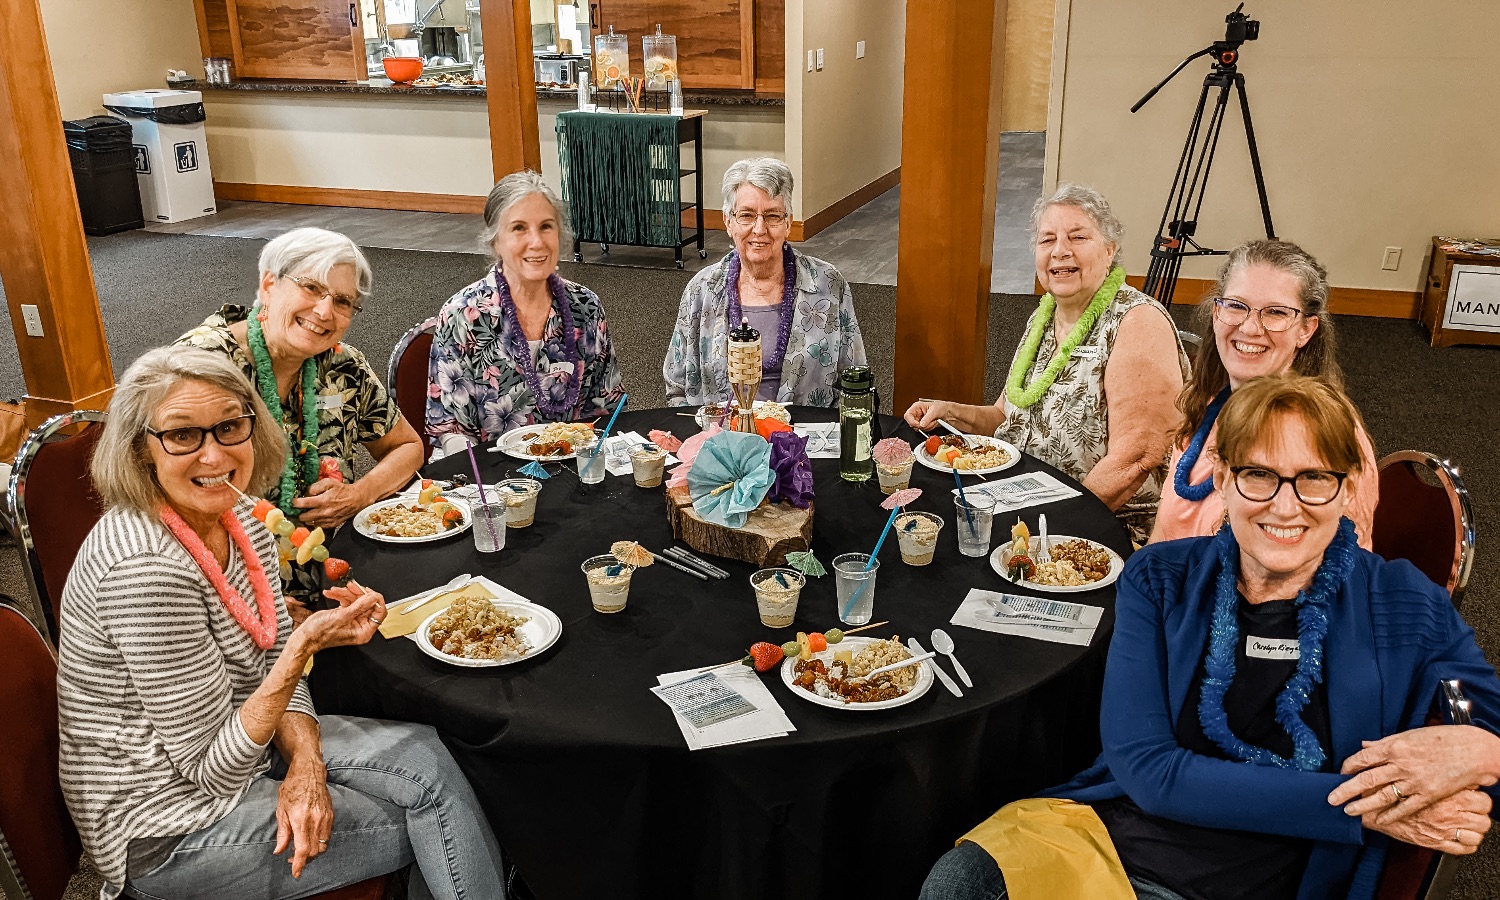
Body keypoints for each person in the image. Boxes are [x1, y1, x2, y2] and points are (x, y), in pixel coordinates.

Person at [920, 374, 1500, 900]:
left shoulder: (1403, 601)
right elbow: (1147, 769)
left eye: (1315, 478)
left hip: (1274, 877)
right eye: (1258, 475)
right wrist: (1361, 812)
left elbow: (1489, 728)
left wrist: (1483, 749)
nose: (1285, 505)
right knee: (957, 884)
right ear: (1223, 479)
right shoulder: (1160, 579)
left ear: (1348, 489)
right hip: (1126, 838)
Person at [57, 347, 507, 900]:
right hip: (167, 825)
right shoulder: (145, 570)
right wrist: (302, 649)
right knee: (438, 815)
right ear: (139, 449)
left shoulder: (237, 511)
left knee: (432, 764)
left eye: (229, 426)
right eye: (181, 435)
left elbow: (267, 656)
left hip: (245, 738)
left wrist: (307, 764)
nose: (213, 454)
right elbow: (211, 767)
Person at [905, 184, 1187, 544]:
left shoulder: (1137, 323)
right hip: (1023, 498)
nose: (1060, 251)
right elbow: (1006, 417)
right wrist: (951, 412)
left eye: (1078, 237)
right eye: (1047, 240)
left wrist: (1057, 526)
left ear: (1109, 250)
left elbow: (1136, 459)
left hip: (1102, 526)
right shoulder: (1045, 316)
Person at [176, 227, 423, 532]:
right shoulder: (201, 366)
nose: (324, 311)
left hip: (332, 555)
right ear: (268, 285)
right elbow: (161, 484)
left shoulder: (343, 366)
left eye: (342, 302)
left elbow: (407, 446)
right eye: (311, 288)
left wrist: (361, 493)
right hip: (228, 563)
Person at [1150, 240, 1378, 547]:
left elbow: (1331, 580)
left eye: (1275, 312)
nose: (1250, 328)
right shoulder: (1207, 406)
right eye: (1236, 306)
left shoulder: (1328, 437)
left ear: (1305, 330)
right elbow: (1163, 534)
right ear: (1217, 313)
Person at [427, 170, 625, 456]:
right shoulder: (462, 316)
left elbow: (607, 405)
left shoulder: (585, 307)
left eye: (546, 226)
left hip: (571, 471)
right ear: (496, 240)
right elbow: (453, 431)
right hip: (488, 481)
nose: (536, 242)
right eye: (519, 228)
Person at [663, 157, 867, 408]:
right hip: (721, 440)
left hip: (807, 440)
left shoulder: (828, 285)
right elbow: (677, 389)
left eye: (772, 216)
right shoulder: (701, 290)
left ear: (788, 222)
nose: (759, 229)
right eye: (746, 215)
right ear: (728, 222)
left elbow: (855, 383)